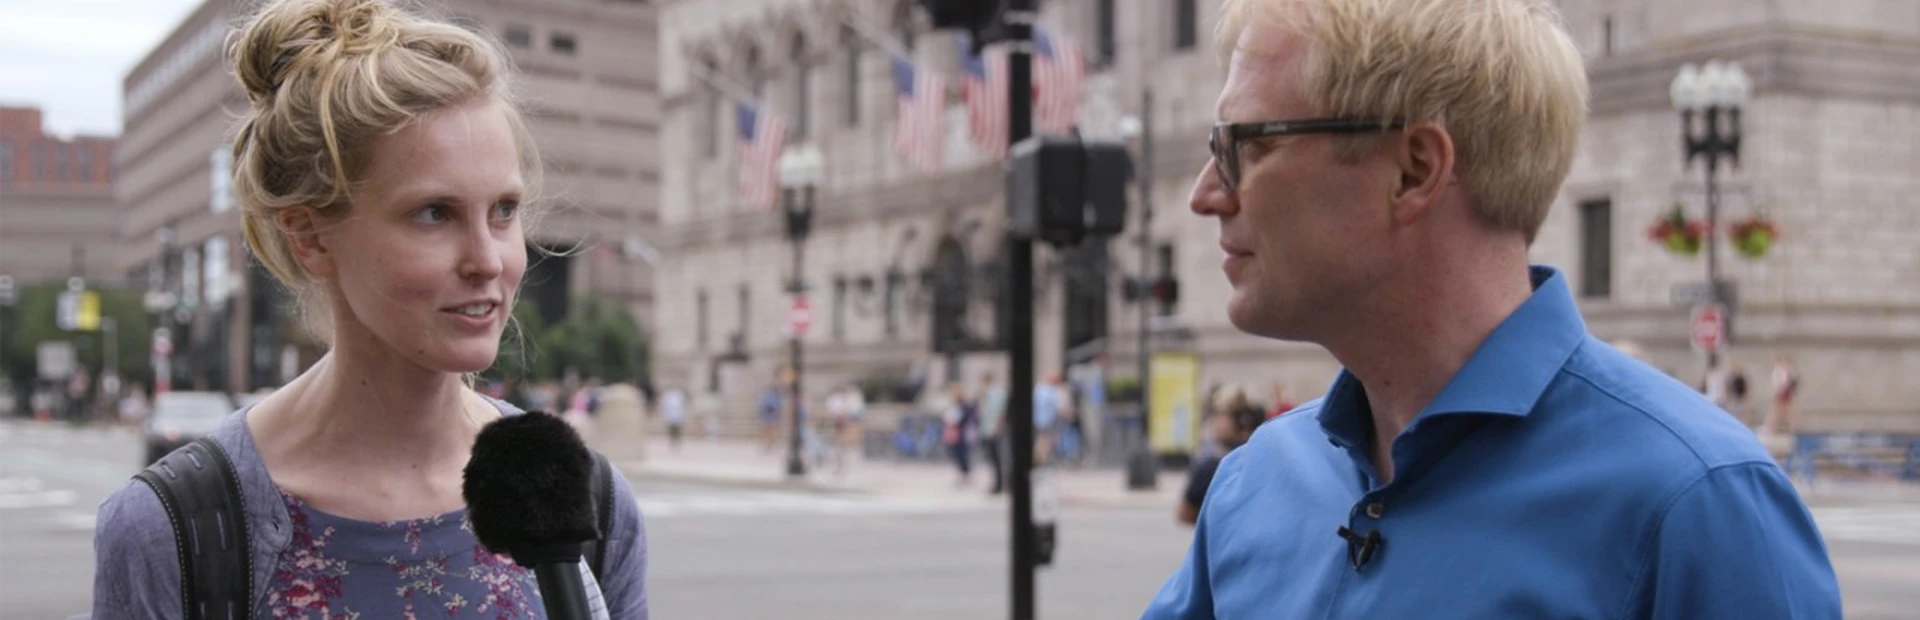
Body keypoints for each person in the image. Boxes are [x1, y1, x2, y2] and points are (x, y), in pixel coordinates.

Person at [1142, 0, 1839, 618]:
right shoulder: (1256, 480)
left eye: (1247, 145)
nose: (1207, 193)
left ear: (1414, 170)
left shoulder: (1697, 505)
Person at [90, 1, 649, 617]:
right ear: (309, 235)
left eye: (504, 211)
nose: (488, 260)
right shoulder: (176, 530)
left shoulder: (586, 501)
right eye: (434, 213)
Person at [1178, 387, 1263, 526]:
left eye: (1218, 414)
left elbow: (1185, 514)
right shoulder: (1272, 458)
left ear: (1241, 420)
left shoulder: (1212, 467)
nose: (1213, 421)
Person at [660, 386, 688, 451]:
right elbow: (665, 406)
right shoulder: (668, 396)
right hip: (671, 415)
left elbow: (684, 406)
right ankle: (672, 439)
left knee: (677, 428)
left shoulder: (680, 396)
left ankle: (676, 439)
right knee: (671, 428)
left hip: (677, 415)